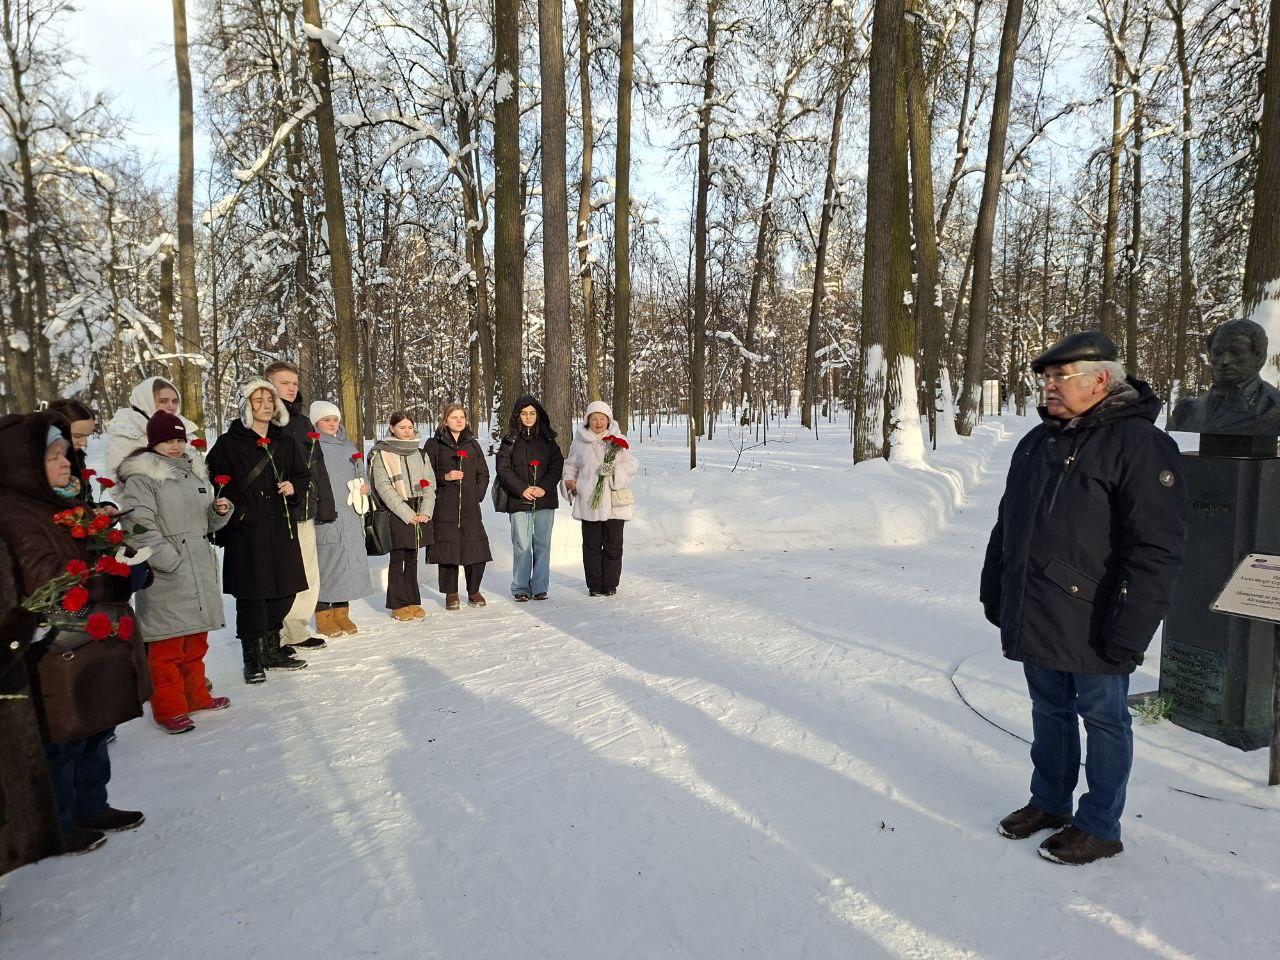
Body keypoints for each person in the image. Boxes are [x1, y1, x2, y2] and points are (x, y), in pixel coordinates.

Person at [980, 331, 1189, 865]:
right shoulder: (1037, 441)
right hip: (1038, 608)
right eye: (1044, 378)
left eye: (1059, 377)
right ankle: (1050, 802)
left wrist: (1131, 627)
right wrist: (996, 586)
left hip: (1099, 615)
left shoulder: (1140, 445)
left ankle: (1099, 825)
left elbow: (1156, 549)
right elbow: (1010, 524)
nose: (1048, 387)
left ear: (1101, 379)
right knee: (1048, 708)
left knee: (1104, 719)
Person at [0, 412, 150, 855]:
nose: (66, 462)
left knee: (96, 728)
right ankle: (61, 820)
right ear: (23, 465)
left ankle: (92, 804)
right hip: (57, 644)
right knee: (65, 738)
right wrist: (113, 570)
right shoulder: (16, 512)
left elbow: (90, 554)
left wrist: (122, 557)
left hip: (91, 637)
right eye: (53, 456)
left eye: (66, 453)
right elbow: (46, 577)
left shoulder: (63, 501)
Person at [118, 411, 234, 733]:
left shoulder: (195, 473)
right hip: (167, 571)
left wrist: (219, 512)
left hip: (197, 565)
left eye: (180, 439)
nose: (175, 445)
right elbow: (137, 525)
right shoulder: (143, 477)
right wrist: (170, 560)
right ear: (154, 441)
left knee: (196, 642)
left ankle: (195, 697)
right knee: (167, 647)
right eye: (168, 440)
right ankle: (169, 708)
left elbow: (203, 524)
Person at [206, 379, 310, 683]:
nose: (265, 405)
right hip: (247, 528)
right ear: (246, 406)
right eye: (258, 400)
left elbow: (303, 474)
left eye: (269, 400)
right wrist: (225, 505)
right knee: (252, 595)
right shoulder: (229, 442)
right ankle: (253, 657)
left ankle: (272, 648)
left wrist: (293, 487)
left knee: (286, 590)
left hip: (280, 525)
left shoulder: (285, 439)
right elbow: (213, 479)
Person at [264, 362, 336, 652]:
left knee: (308, 572)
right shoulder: (264, 420)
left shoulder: (304, 423)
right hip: (278, 512)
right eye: (285, 383)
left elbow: (317, 465)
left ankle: (297, 629)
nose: (292, 388)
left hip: (305, 509)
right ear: (269, 385)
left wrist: (325, 502)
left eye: (295, 383)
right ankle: (275, 633)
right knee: (282, 573)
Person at [310, 401, 376, 635]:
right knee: (327, 563)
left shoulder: (348, 445)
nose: (331, 424)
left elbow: (360, 470)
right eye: (326, 420)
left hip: (349, 513)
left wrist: (364, 485)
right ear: (315, 422)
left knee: (348, 565)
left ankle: (341, 613)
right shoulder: (312, 445)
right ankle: (322, 615)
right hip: (325, 514)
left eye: (335, 419)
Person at [562, 400, 638, 597]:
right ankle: (594, 585)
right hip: (590, 502)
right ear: (588, 420)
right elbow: (571, 465)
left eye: (602, 418)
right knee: (591, 547)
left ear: (608, 419)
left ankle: (611, 584)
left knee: (613, 546)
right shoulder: (579, 442)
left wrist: (614, 471)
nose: (598, 422)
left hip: (614, 502)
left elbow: (631, 465)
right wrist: (569, 481)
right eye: (594, 418)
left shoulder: (618, 439)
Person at [422, 405, 491, 609]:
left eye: (462, 417)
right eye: (454, 417)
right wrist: (445, 477)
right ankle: (451, 594)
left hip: (469, 507)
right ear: (445, 421)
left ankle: (474, 591)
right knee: (448, 552)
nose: (459, 421)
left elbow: (483, 474)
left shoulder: (472, 444)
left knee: (476, 551)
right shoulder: (434, 444)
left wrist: (476, 495)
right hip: (445, 506)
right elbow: (424, 476)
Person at [495, 396, 564, 601]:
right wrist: (521, 488)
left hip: (544, 498)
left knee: (542, 543)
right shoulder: (509, 440)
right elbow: (503, 468)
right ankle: (520, 587)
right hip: (519, 499)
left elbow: (556, 466)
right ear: (518, 415)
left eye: (532, 413)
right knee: (522, 544)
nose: (528, 417)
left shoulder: (548, 439)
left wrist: (543, 488)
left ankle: (540, 586)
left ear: (538, 415)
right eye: (524, 413)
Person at [369, 412, 436, 620]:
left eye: (409, 427)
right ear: (391, 428)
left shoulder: (420, 452)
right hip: (397, 510)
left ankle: (413, 600)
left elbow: (430, 483)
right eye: (402, 427)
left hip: (419, 507)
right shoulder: (381, 453)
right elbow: (383, 487)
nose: (407, 431)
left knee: (413, 558)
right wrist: (407, 514)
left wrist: (426, 511)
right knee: (398, 558)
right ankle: (397, 604)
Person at [1165, 317, 1280, 434]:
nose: (1224, 361)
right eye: (1217, 353)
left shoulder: (1274, 406)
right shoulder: (1185, 412)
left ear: (1259, 358)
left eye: (1236, 353)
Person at [105, 376, 198, 476]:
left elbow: (198, 474)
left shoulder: (184, 430)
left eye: (174, 401)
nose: (171, 407)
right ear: (145, 402)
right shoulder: (126, 435)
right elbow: (116, 483)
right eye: (163, 401)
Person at [47, 399, 97, 503]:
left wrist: (102, 510)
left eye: (87, 436)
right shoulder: (37, 465)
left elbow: (84, 503)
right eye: (77, 436)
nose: (84, 443)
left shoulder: (77, 458)